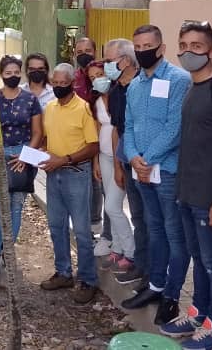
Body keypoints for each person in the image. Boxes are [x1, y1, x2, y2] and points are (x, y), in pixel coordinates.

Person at [160, 21, 212, 349]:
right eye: (184, 45)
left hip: (211, 197)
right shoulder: (193, 88)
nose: (189, 51)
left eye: (197, 45)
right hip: (187, 194)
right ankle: (199, 315)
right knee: (198, 260)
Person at [121, 24, 192, 326]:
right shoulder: (135, 85)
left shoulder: (179, 80)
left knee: (176, 237)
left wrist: (147, 159)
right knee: (155, 231)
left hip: (168, 172)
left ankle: (172, 297)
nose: (142, 51)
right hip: (142, 173)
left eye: (148, 45)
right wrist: (133, 157)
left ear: (161, 48)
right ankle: (155, 287)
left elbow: (175, 127)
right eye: (138, 46)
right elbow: (128, 125)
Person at [38, 63, 100, 304]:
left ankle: (88, 279)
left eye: (64, 84)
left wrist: (64, 159)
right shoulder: (50, 108)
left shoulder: (83, 108)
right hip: (54, 175)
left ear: (73, 83)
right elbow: (47, 137)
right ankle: (63, 272)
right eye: (55, 83)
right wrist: (43, 153)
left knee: (82, 231)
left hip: (76, 172)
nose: (59, 88)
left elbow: (93, 146)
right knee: (56, 226)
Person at [0, 55, 44, 275]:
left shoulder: (30, 100)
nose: (13, 76)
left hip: (23, 157)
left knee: (16, 207)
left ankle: (7, 251)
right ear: (1, 75)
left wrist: (27, 156)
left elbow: (38, 132)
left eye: (17, 73)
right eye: (9, 73)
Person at [104, 39, 148, 289]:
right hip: (126, 160)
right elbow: (118, 129)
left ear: (127, 61)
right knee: (139, 217)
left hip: (146, 163)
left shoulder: (142, 86)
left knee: (150, 221)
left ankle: (149, 272)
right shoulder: (116, 89)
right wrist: (120, 164)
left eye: (111, 62)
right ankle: (139, 266)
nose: (108, 67)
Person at [85, 60, 135, 276]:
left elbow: (119, 129)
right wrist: (96, 160)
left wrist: (118, 164)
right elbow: (97, 133)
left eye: (100, 74)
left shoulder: (119, 95)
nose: (98, 79)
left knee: (114, 206)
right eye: (92, 77)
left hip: (119, 157)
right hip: (104, 156)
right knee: (109, 204)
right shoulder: (95, 102)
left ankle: (131, 251)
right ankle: (117, 247)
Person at [71, 37, 111, 256]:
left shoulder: (105, 76)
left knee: (104, 190)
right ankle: (87, 228)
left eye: (88, 50)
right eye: (80, 51)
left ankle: (101, 230)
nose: (84, 54)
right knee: (87, 187)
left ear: (96, 51)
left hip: (102, 141)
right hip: (79, 142)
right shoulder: (76, 79)